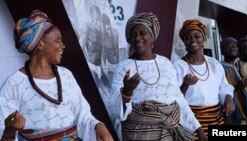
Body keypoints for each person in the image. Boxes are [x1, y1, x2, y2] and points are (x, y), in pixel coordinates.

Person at [0, 10, 113, 141]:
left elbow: (82, 115)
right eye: (58, 40)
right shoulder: (14, 84)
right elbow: (3, 130)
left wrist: (99, 126)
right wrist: (10, 130)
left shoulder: (66, 75)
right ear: (41, 43)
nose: (63, 45)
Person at [110, 12, 206, 141]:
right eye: (133, 35)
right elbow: (113, 109)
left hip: (168, 134)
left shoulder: (165, 63)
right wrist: (127, 92)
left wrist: (197, 128)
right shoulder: (123, 67)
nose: (137, 38)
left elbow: (178, 99)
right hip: (137, 134)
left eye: (142, 33)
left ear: (152, 37)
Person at [173, 19, 235, 139]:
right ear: (184, 43)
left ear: (204, 41)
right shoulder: (178, 67)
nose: (192, 40)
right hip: (191, 122)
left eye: (197, 36)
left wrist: (228, 98)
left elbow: (224, 86)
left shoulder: (214, 63)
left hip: (217, 119)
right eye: (187, 38)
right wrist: (185, 84)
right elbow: (175, 99)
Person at [220, 37, 247, 125]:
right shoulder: (220, 67)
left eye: (233, 46)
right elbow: (220, 89)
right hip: (234, 110)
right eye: (227, 47)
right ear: (222, 52)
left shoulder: (243, 64)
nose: (231, 48)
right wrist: (238, 86)